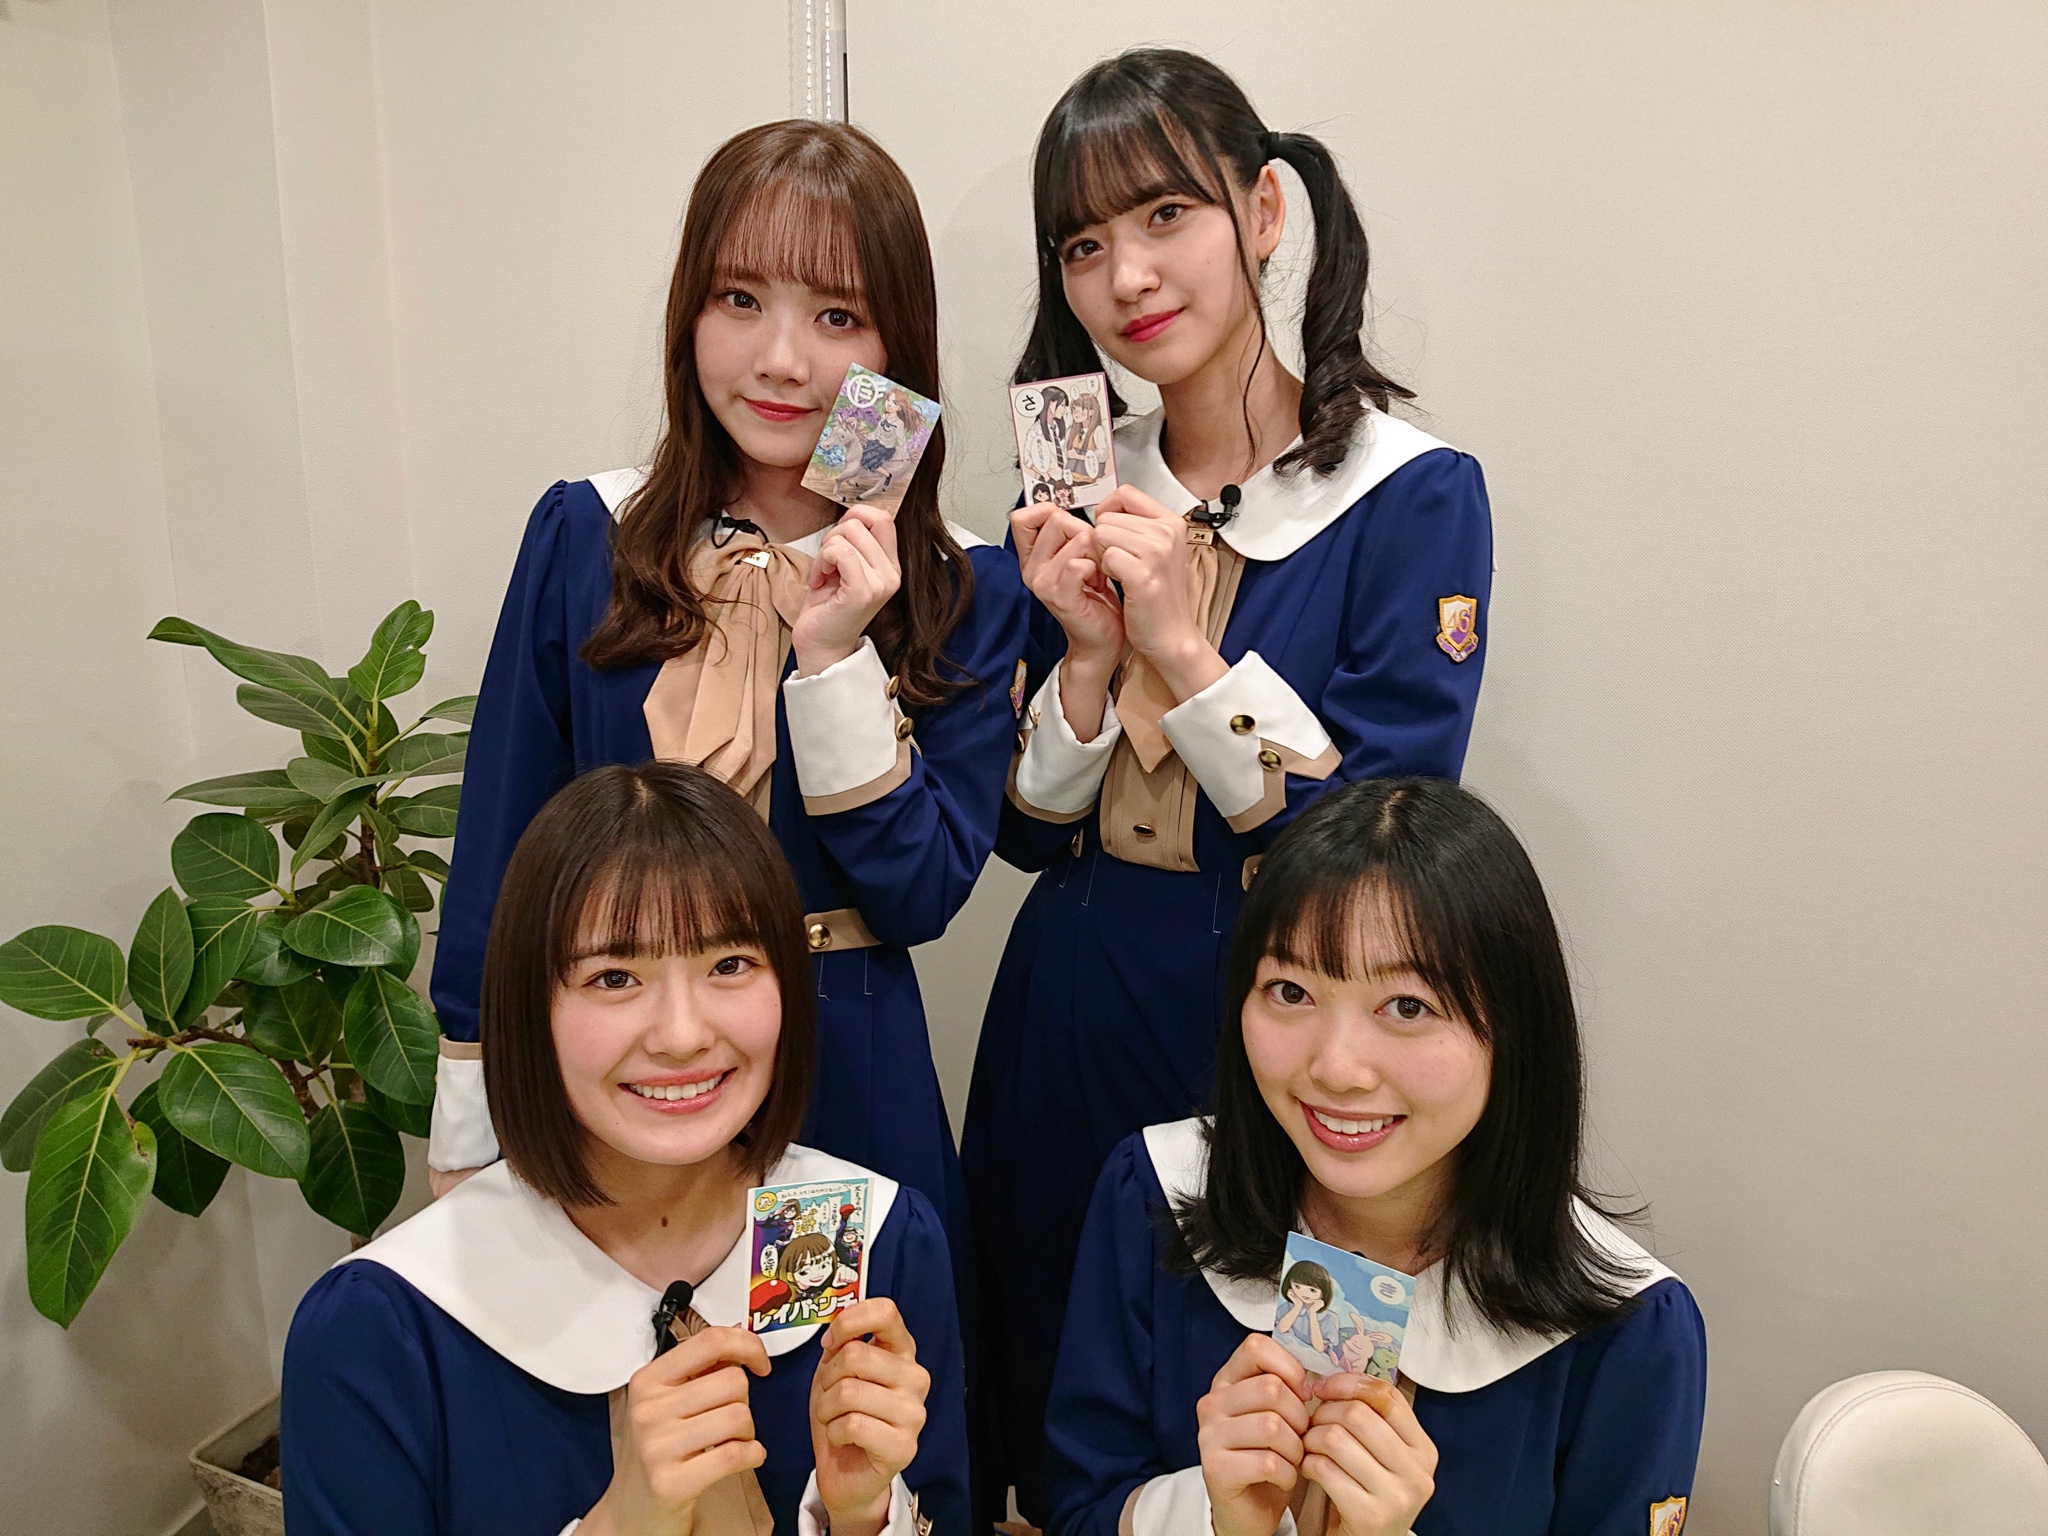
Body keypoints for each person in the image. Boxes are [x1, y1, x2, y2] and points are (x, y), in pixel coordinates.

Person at [962, 48, 1495, 1521]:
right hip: (1068, 1002)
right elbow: (1019, 834)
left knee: (1275, 1413)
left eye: (1163, 216)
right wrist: (1085, 661)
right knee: (1055, 1413)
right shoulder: (1072, 485)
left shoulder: (1408, 491)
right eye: (1082, 244)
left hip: (1281, 1016)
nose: (1125, 276)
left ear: (1263, 211)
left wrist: (1187, 654)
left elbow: (1382, 841)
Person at [426, 123, 1029, 1278]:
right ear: (688, 313)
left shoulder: (965, 581)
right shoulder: (585, 534)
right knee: (630, 1365)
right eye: (739, 300)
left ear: (895, 346)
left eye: (838, 317)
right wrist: (470, 1116)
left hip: (843, 1066)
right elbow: (503, 839)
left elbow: (917, 895)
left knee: (836, 1379)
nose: (781, 361)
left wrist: (835, 660)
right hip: (619, 1062)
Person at [282, 763, 968, 1535]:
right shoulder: (382, 1330)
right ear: (529, 1008)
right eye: (614, 977)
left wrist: (863, 1517)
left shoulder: (876, 1241)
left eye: (730, 965)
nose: (682, 1035)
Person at [1043, 779, 1707, 1536]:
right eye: (1290, 991)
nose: (1336, 1068)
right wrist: (1215, 1517)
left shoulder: (1629, 1333)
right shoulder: (1153, 1194)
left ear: (1517, 1029)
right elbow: (1079, 1508)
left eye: (1408, 1007)